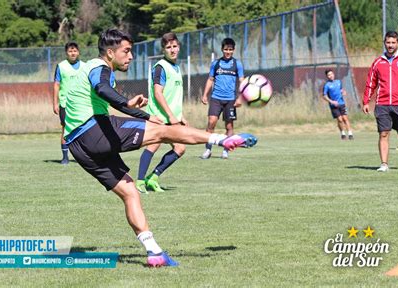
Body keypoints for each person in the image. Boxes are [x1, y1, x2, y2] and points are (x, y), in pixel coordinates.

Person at [64, 29, 257, 267]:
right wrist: (128, 104)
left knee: (130, 191)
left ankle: (153, 252)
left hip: (78, 145)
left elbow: (114, 101)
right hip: (93, 129)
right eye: (126, 51)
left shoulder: (95, 70)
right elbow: (102, 88)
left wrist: (145, 115)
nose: (131, 56)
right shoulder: (98, 67)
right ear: (110, 52)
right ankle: (221, 140)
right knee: (167, 131)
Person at [136, 32, 186, 194]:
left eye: (175, 46)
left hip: (171, 117)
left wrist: (179, 115)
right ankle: (140, 182)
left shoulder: (176, 68)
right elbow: (158, 93)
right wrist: (171, 116)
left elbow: (174, 96)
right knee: (153, 146)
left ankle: (153, 177)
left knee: (180, 148)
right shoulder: (161, 67)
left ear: (179, 47)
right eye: (168, 47)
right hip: (158, 116)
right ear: (163, 50)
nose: (172, 50)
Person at [363, 31, 398, 172]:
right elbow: (371, 83)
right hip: (382, 104)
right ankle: (384, 164)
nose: (390, 45)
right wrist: (366, 101)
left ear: (397, 43)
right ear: (384, 43)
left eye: (393, 42)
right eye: (388, 42)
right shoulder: (377, 62)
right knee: (384, 133)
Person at [200, 38, 244, 159]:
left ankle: (225, 151)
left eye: (230, 49)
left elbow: (242, 82)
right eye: (226, 49)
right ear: (222, 49)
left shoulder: (237, 64)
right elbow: (210, 79)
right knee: (211, 122)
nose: (228, 52)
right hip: (216, 98)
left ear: (233, 50)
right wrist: (205, 95)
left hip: (230, 100)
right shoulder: (216, 63)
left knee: (229, 127)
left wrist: (240, 98)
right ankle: (208, 150)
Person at [53, 41, 84, 164]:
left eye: (75, 51)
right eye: (70, 51)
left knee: (83, 129)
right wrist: (55, 103)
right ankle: (65, 157)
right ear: (66, 53)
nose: (73, 53)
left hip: (81, 104)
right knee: (65, 129)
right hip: (65, 104)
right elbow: (56, 84)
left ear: (78, 52)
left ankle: (82, 156)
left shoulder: (85, 66)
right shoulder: (61, 66)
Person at [322, 69, 354, 140]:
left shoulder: (338, 82)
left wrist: (343, 92)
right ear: (327, 76)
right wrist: (331, 101)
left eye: (331, 74)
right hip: (334, 105)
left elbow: (341, 90)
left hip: (341, 103)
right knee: (340, 120)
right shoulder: (327, 85)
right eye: (329, 75)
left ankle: (350, 134)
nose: (331, 76)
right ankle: (342, 133)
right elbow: (324, 96)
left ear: (333, 74)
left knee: (345, 118)